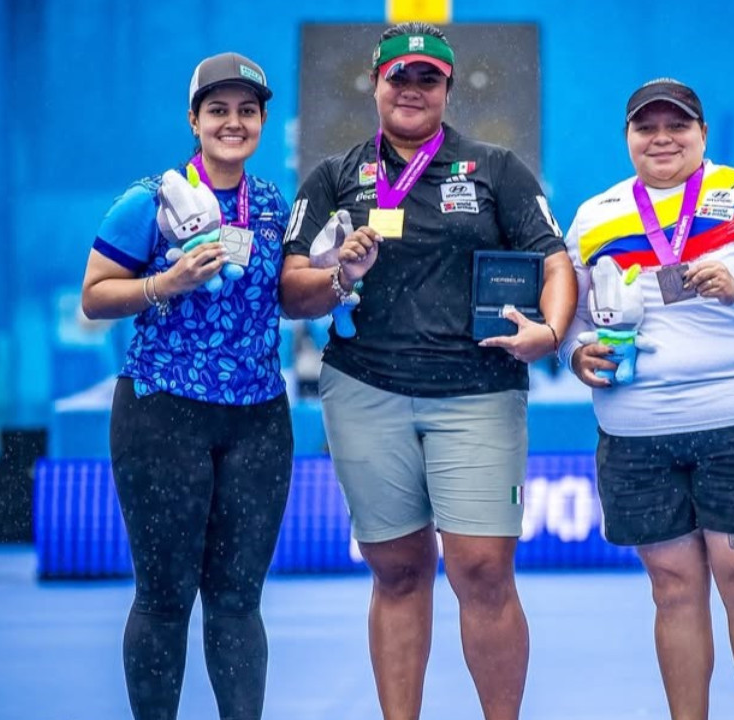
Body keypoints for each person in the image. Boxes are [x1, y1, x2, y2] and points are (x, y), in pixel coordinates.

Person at [279, 22, 576, 720]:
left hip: (478, 394)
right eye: (399, 78)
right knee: (399, 571)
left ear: (446, 88)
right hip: (364, 393)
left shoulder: (497, 169)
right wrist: (336, 278)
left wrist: (552, 332)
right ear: (376, 85)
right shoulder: (332, 177)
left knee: (482, 570)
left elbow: (555, 259)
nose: (411, 90)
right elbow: (292, 288)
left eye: (427, 79)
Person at [560, 78, 734, 720]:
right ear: (627, 138)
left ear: (702, 134)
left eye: (676, 125)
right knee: (673, 591)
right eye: (645, 127)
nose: (661, 138)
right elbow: (567, 312)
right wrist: (574, 352)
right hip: (638, 434)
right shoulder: (595, 215)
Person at [80, 52, 293, 720]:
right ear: (194, 120)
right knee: (166, 597)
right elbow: (93, 296)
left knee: (237, 600)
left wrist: (343, 273)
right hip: (162, 416)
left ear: (261, 120)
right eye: (218, 110)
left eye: (247, 111)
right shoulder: (149, 200)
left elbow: (288, 294)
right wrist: (162, 285)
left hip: (257, 420)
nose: (233, 123)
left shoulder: (270, 204)